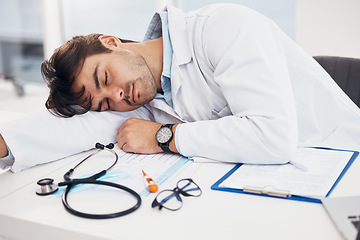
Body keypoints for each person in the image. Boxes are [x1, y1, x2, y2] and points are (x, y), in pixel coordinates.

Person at [1, 3, 360, 173]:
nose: (117, 98)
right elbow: (72, 126)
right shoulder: (146, 96)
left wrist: (163, 137)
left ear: (111, 41)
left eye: (104, 79)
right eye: (103, 103)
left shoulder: (224, 27)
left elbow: (272, 135)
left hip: (342, 164)